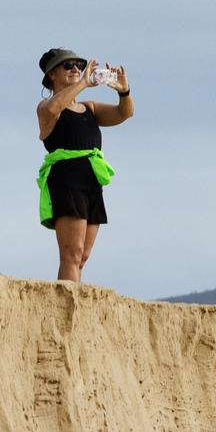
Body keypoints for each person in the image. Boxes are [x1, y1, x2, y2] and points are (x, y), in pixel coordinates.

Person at [35, 47, 134, 283]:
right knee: (71, 253)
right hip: (66, 178)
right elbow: (52, 109)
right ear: (52, 74)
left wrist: (124, 91)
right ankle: (65, 305)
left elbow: (125, 113)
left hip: (90, 179)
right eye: (67, 66)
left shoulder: (88, 107)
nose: (75, 70)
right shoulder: (47, 106)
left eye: (78, 66)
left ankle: (74, 300)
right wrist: (83, 83)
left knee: (83, 256)